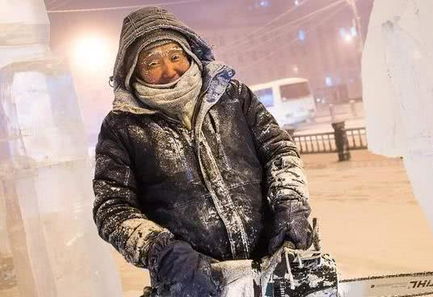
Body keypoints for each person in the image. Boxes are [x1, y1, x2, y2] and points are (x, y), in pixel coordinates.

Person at [92, 6, 313, 297]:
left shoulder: (234, 96)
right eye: (152, 63)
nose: (169, 70)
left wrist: (290, 205)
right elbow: (112, 208)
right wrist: (163, 251)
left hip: (272, 266)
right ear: (133, 70)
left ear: (190, 54)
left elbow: (279, 152)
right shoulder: (122, 127)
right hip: (192, 284)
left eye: (175, 56)